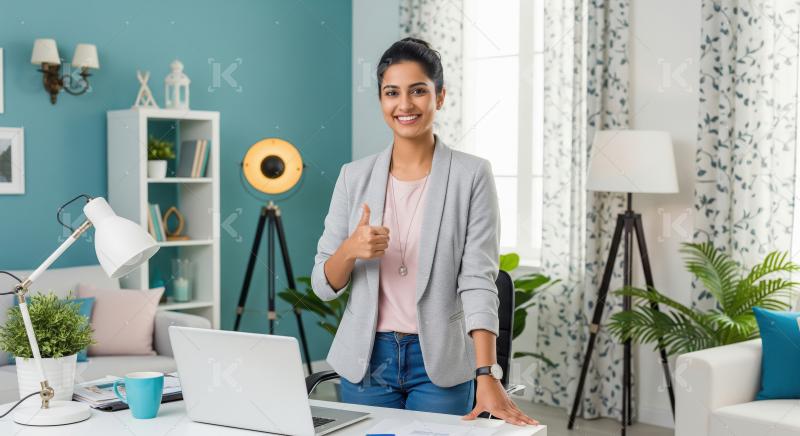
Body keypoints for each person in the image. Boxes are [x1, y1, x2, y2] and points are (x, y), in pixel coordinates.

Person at [311, 37, 537, 426]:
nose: (404, 105)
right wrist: (350, 249)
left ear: (440, 96)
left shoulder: (471, 175)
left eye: (418, 91)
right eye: (391, 93)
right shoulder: (354, 177)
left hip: (439, 362)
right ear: (381, 100)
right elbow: (322, 283)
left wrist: (487, 374)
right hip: (367, 362)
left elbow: (479, 280)